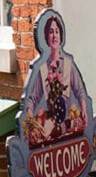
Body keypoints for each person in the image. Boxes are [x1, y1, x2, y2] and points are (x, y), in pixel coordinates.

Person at [23, 15, 89, 146]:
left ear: (61, 36)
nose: (54, 36)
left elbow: (79, 90)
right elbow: (33, 99)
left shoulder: (68, 64)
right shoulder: (42, 69)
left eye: (57, 32)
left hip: (69, 121)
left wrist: (84, 110)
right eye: (51, 32)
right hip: (51, 122)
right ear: (46, 38)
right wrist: (31, 122)